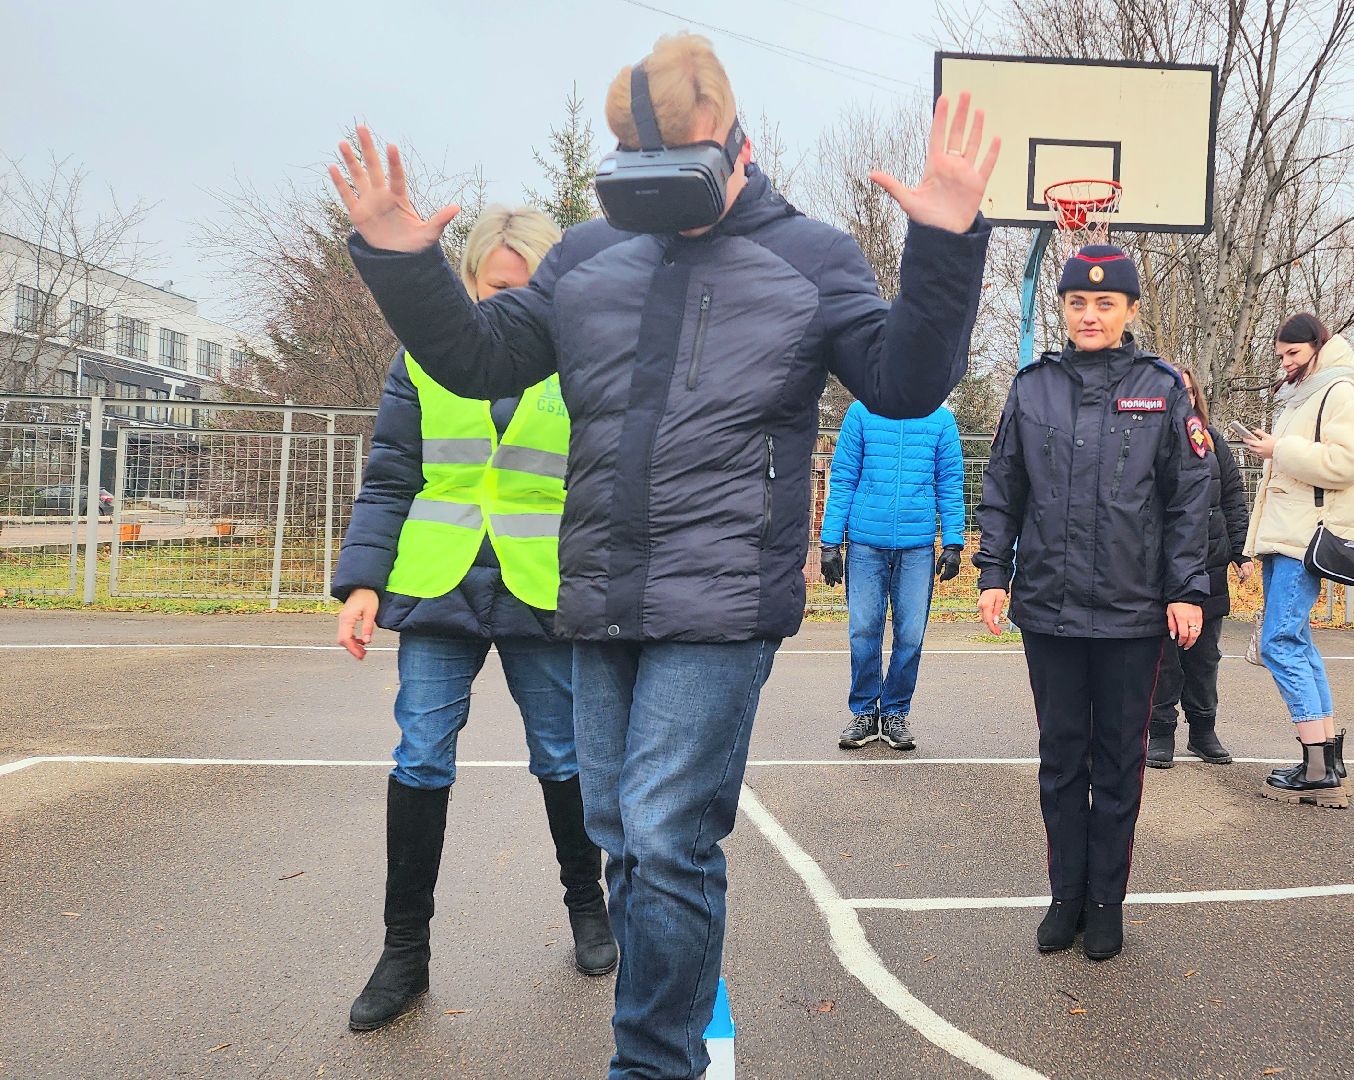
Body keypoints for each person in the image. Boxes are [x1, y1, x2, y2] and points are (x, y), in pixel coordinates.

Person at [327, 34, 998, 1080]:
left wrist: (947, 244)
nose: (661, 202)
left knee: (667, 831)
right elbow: (472, 357)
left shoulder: (811, 256)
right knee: (621, 833)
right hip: (597, 592)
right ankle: (674, 1013)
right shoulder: (588, 258)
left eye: (680, 175)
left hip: (723, 595)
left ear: (738, 150)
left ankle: (653, 1061)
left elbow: (903, 383)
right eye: (636, 182)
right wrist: (403, 262)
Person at [331, 205, 617, 1032]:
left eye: (525, 292)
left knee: (563, 752)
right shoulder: (422, 357)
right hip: (436, 577)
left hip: (540, 582)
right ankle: (403, 953)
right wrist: (362, 583)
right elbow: (390, 478)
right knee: (420, 755)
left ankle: (587, 909)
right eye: (494, 289)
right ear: (467, 283)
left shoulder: (581, 361)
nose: (507, 306)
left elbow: (601, 489)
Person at [974, 244, 1211, 961]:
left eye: (1105, 303)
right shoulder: (1032, 388)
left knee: (1118, 764)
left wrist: (1187, 589)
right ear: (1065, 309)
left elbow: (1189, 501)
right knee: (1060, 761)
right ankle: (1064, 899)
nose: (1090, 314)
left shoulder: (1162, 389)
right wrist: (992, 573)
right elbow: (1002, 488)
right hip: (1048, 610)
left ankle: (1106, 904)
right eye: (1078, 302)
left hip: (1133, 615)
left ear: (1130, 311)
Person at [1240, 313, 1354, 806]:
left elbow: (1350, 461)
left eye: (1294, 354)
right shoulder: (1308, 393)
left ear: (1319, 348)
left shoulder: (1340, 391)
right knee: (1294, 640)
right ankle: (1323, 758)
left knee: (1280, 642)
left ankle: (1318, 763)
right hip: (1288, 534)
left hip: (1303, 537)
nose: (1286, 363)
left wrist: (1280, 448)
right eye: (1280, 355)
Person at [818, 399, 966, 752]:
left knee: (911, 634)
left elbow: (950, 482)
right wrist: (830, 541)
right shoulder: (860, 413)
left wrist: (954, 542)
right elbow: (843, 477)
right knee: (863, 629)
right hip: (866, 543)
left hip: (917, 546)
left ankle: (895, 711)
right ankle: (865, 713)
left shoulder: (942, 420)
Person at [1146, 368, 1253, 767]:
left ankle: (1203, 730)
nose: (1184, 400)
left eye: (1190, 393)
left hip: (1209, 567)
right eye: (1177, 393)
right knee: (1164, 657)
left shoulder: (1213, 442)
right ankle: (1160, 733)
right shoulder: (1147, 442)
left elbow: (1232, 498)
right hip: (1159, 569)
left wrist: (1240, 551)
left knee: (1204, 655)